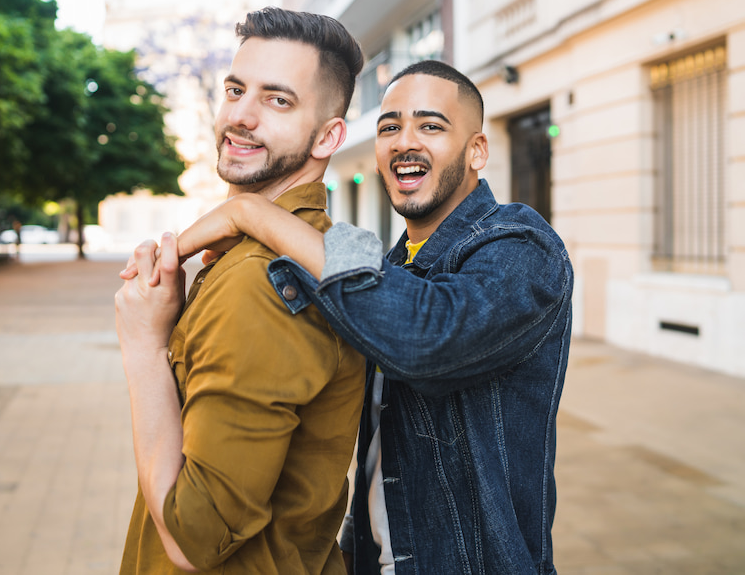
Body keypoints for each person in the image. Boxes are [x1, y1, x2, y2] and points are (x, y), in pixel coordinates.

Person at [170, 60, 574, 574]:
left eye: (430, 125)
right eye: (389, 127)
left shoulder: (522, 245)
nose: (404, 141)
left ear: (477, 151)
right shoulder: (387, 269)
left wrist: (251, 213)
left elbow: (427, 337)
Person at [114, 7, 367, 574]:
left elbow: (191, 540)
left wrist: (142, 346)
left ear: (328, 135)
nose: (241, 116)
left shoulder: (264, 279)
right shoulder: (307, 250)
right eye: (235, 89)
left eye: (279, 100)